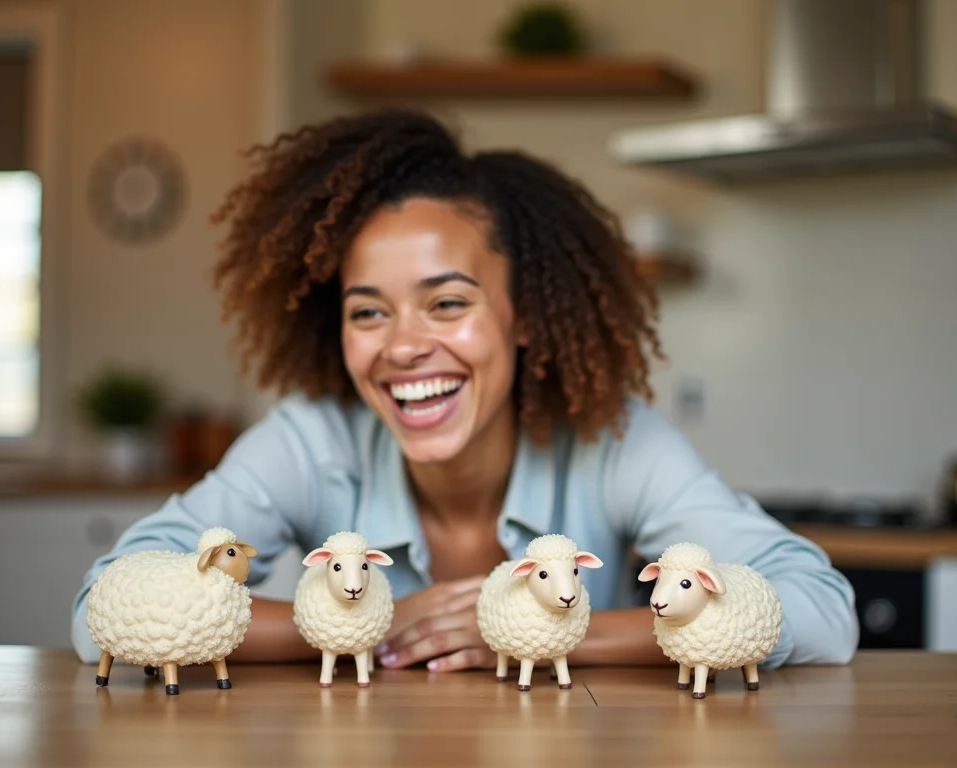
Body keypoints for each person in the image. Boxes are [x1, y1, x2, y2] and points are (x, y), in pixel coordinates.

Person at [71, 108, 858, 672]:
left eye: (448, 302)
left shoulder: (612, 441)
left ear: (524, 315)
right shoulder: (314, 440)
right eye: (368, 311)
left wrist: (547, 633)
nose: (405, 345)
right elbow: (103, 603)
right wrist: (355, 623)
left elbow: (821, 611)